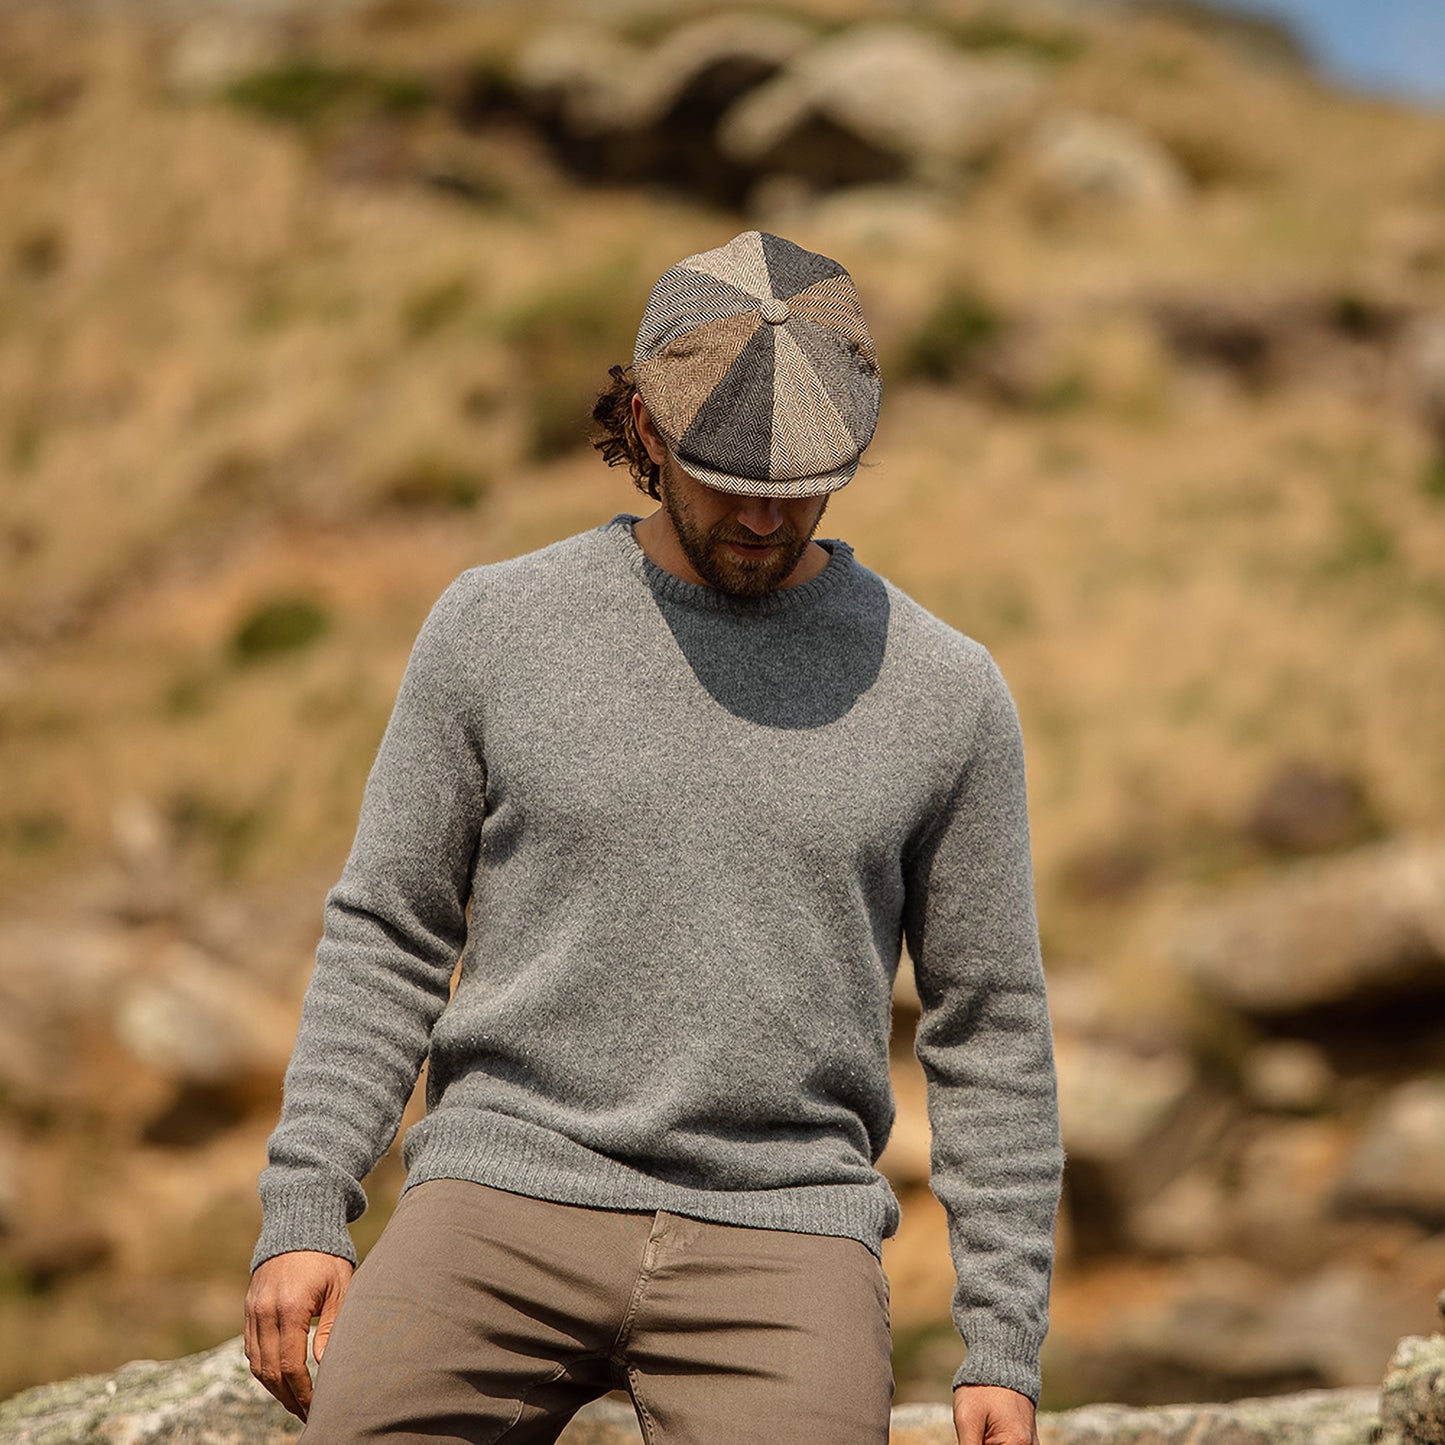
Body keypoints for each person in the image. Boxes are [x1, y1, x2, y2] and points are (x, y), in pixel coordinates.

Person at [244, 230, 1062, 1445]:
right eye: (726, 475)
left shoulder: (945, 690)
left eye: (800, 482)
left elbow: (988, 1024)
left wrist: (1000, 1341)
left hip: (786, 1230)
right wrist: (307, 1204)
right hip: (500, 1189)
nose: (762, 514)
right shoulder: (494, 625)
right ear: (643, 424)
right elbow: (388, 932)